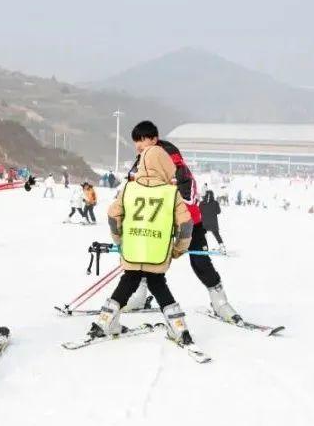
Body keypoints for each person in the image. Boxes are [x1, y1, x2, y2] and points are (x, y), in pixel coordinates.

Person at [128, 121, 241, 323]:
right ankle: (139, 296)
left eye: (142, 139)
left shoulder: (172, 160)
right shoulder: (141, 160)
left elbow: (186, 193)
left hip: (188, 220)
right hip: (157, 222)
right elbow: (132, 186)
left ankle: (220, 302)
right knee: (145, 257)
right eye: (135, 140)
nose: (138, 144)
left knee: (200, 260)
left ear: (154, 139)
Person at [88, 144, 195, 346]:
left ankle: (104, 323)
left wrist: (119, 240)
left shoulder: (129, 188)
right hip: (158, 251)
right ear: (165, 166)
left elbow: (113, 216)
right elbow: (186, 225)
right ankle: (179, 329)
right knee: (157, 283)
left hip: (132, 249)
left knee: (128, 281)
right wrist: (179, 249)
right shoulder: (171, 193)